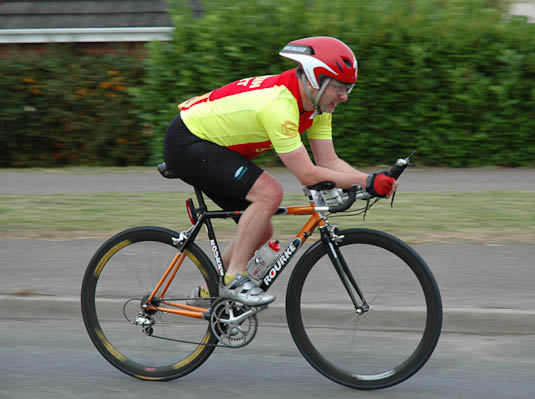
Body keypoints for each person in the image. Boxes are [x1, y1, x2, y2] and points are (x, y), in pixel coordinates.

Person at [163, 36, 397, 307]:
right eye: (339, 88)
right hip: (187, 142)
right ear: (313, 80)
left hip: (213, 146)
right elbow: (308, 175)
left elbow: (329, 162)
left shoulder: (317, 107)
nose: (344, 97)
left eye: (349, 88)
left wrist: (368, 183)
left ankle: (209, 292)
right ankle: (233, 279)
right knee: (269, 193)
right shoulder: (280, 105)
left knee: (260, 232)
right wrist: (367, 181)